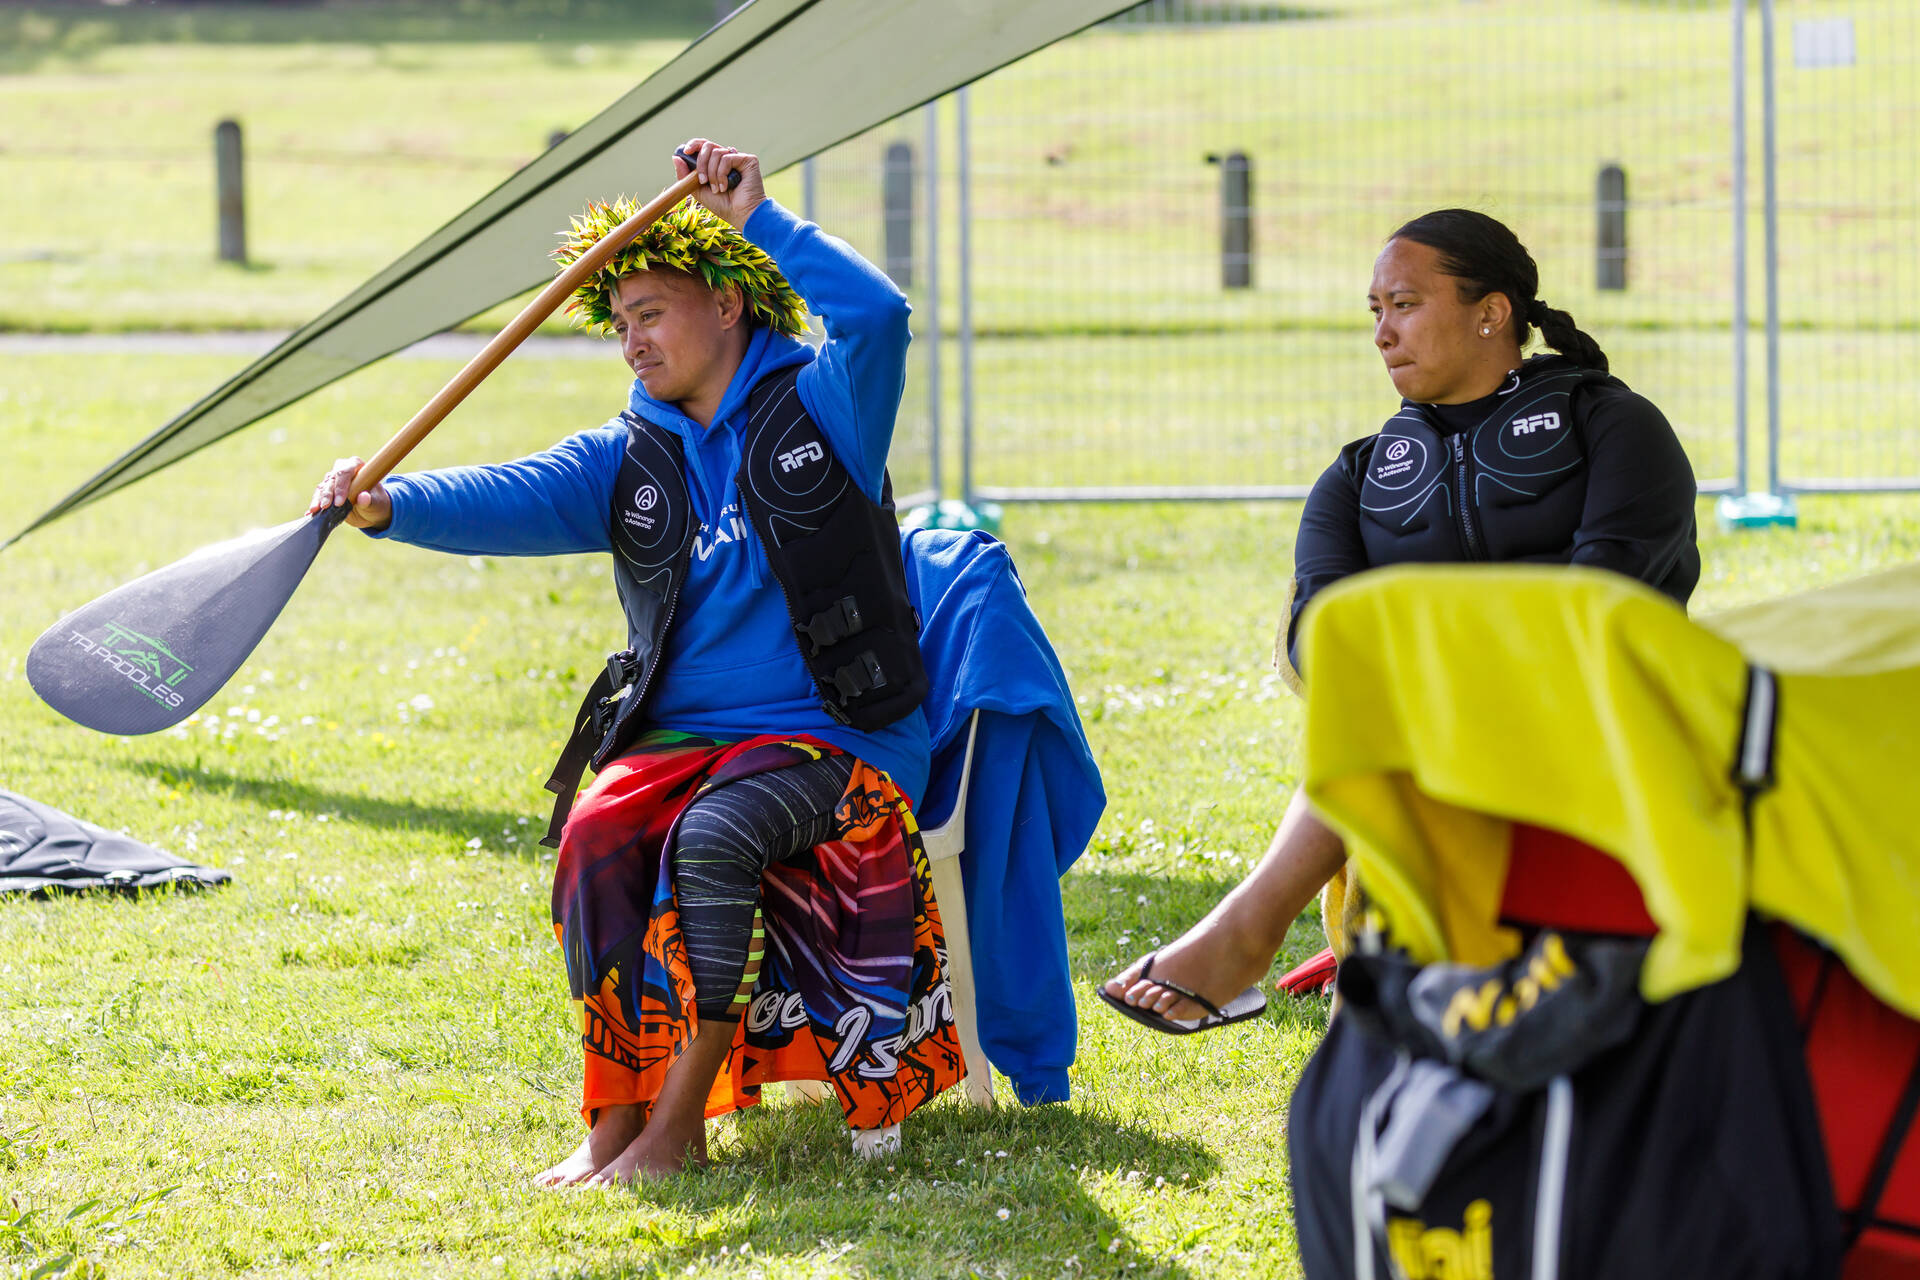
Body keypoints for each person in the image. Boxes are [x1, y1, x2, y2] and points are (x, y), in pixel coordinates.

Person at [310, 139, 963, 1183]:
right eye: (619, 324)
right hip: (686, 745)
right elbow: (511, 493)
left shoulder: (830, 405)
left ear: (728, 303)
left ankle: (679, 1124)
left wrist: (760, 222)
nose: (632, 344)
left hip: (838, 740)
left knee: (715, 835)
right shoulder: (626, 454)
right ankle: (615, 1117)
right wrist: (390, 504)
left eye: (650, 314)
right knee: (596, 828)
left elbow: (880, 316)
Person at [1101, 208, 1701, 1033]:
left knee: (1402, 707)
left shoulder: (1612, 426)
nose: (1383, 332)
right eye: (1375, 310)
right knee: (1382, 702)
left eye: (1406, 305)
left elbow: (1610, 599)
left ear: (1491, 313)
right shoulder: (1356, 478)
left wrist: (1449, 665)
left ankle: (1248, 931)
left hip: (1603, 722)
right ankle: (1272, 939)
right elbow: (1321, 642)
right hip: (1416, 736)